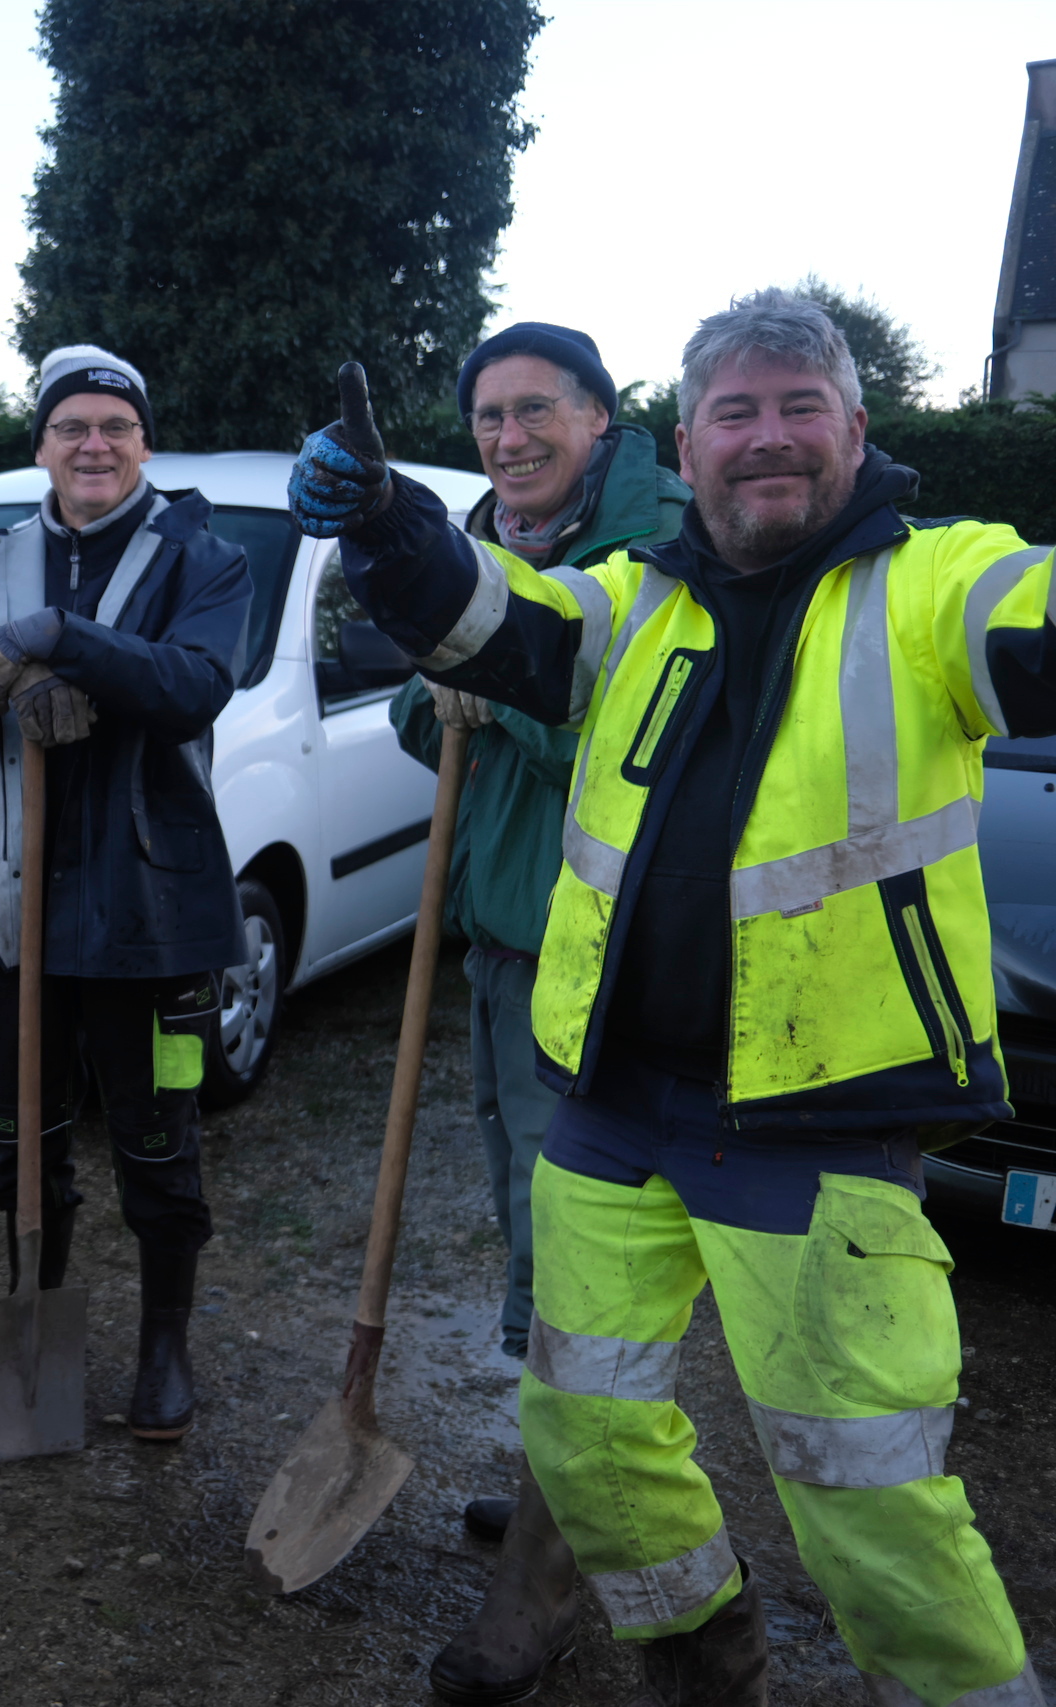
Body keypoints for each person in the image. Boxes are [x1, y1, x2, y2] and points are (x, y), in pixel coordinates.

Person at [291, 288, 1051, 1707]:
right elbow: (490, 620)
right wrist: (387, 517)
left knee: (869, 1501)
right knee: (583, 1435)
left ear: (857, 428)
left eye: (799, 405)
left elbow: (1040, 619)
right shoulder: (639, 593)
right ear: (687, 442)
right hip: (615, 1105)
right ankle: (706, 1656)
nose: (769, 439)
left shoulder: (943, 578)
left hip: (825, 1122)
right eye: (737, 413)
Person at [387, 324, 688, 1706]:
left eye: (533, 411)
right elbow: (411, 702)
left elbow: (615, 724)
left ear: (599, 415)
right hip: (508, 935)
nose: (506, 437)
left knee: (576, 1264)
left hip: (615, 960)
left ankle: (547, 1588)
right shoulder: (482, 529)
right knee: (526, 1224)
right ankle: (557, 1474)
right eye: (487, 416)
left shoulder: (660, 544)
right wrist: (446, 678)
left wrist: (494, 695)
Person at [0, 345, 251, 1442]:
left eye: (115, 427)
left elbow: (193, 687)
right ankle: (34, 1321)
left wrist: (63, 642)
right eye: (70, 428)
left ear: (146, 442)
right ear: (39, 445)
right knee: (21, 1142)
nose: (93, 445)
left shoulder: (206, 556)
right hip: (12, 918)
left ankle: (163, 1350)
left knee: (158, 1140)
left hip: (155, 921)